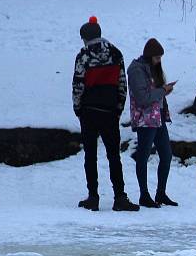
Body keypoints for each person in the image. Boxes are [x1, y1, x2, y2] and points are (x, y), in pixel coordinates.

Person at [72, 16, 139, 212]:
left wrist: (78, 108)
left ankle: (93, 197)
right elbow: (122, 84)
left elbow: (78, 85)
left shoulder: (83, 56)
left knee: (90, 156)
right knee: (114, 156)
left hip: (89, 111)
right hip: (110, 111)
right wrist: (118, 108)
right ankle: (120, 197)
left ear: (85, 38)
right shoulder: (116, 53)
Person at [127, 38, 177, 208]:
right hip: (146, 120)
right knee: (143, 156)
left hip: (158, 118)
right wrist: (163, 90)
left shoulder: (152, 69)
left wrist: (164, 92)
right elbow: (143, 98)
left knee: (166, 155)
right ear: (149, 56)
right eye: (157, 57)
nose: (159, 61)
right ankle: (144, 194)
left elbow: (153, 94)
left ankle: (160, 193)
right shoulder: (136, 71)